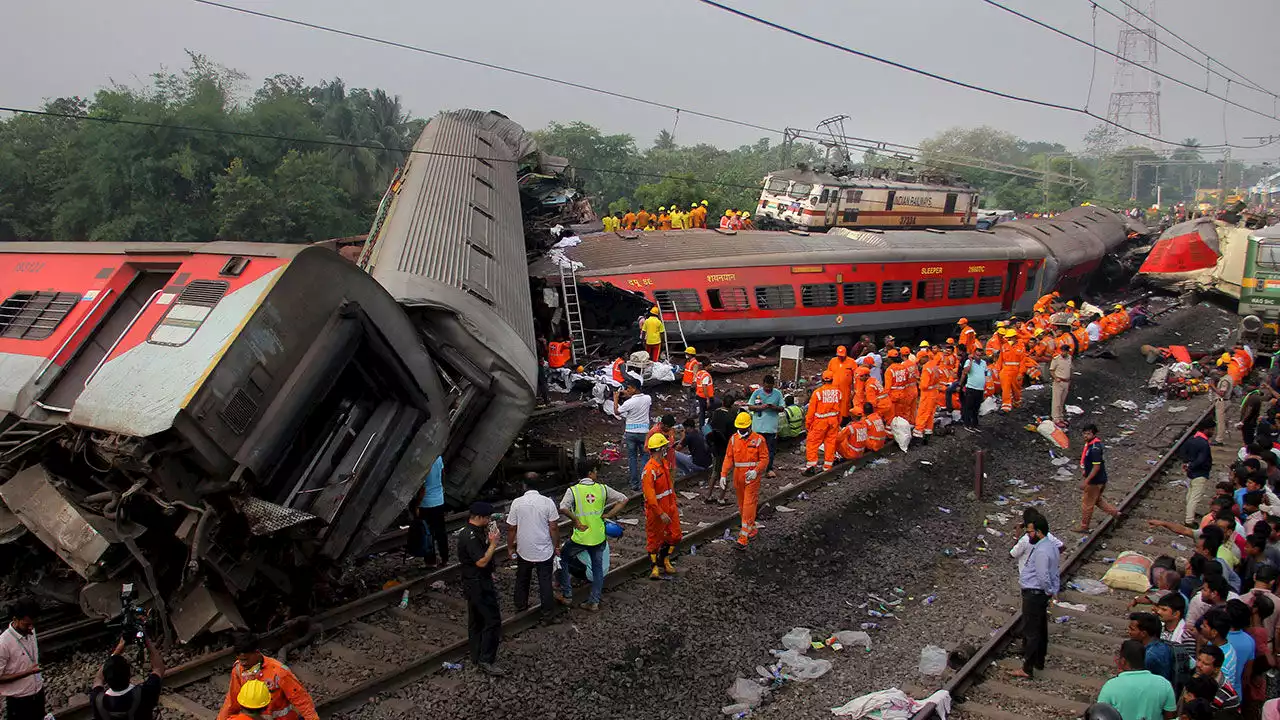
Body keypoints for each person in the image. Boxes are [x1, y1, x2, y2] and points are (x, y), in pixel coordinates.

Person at [558, 458, 627, 610]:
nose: (597, 474)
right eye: (595, 471)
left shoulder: (573, 490)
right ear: (590, 473)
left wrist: (575, 520)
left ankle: (567, 594)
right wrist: (608, 515)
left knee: (562, 558)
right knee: (597, 568)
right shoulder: (603, 489)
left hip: (581, 536)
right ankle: (594, 601)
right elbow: (623, 499)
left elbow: (563, 507)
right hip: (598, 536)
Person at [215, 633, 319, 720]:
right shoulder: (238, 670)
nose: (242, 663)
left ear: (256, 652)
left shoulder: (279, 672)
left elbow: (301, 699)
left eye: (245, 659)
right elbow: (232, 701)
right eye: (240, 659)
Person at [456, 502, 505, 675]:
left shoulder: (469, 532)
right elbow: (481, 561)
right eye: (488, 518)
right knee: (492, 620)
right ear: (480, 517)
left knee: (476, 620)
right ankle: (486, 660)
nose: (489, 520)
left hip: (472, 582)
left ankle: (476, 655)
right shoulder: (470, 537)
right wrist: (493, 544)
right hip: (479, 584)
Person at [1013, 514, 1059, 679]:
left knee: (1032, 631)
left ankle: (1027, 668)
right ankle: (1039, 661)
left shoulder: (1040, 551)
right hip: (1040, 594)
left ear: (1038, 532)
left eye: (1030, 532)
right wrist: (1052, 590)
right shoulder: (1051, 546)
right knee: (1041, 628)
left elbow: (1043, 576)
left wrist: (1047, 590)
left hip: (1034, 593)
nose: (1028, 535)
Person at [506, 474, 561, 615]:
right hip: (544, 548)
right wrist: (556, 546)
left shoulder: (517, 503)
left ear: (524, 485)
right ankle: (547, 613)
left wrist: (510, 547)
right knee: (545, 580)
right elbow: (553, 527)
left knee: (522, 577)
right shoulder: (547, 502)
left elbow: (512, 528)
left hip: (524, 548)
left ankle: (520, 605)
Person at [722, 412, 770, 550]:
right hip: (738, 476)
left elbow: (764, 459)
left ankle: (743, 538)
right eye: (740, 428)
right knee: (742, 505)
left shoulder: (759, 440)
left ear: (749, 426)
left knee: (749, 504)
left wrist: (756, 471)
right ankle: (752, 527)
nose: (741, 430)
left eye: (744, 428)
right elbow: (728, 458)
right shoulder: (733, 439)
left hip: (752, 477)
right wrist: (724, 474)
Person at [1095, 640, 1177, 720]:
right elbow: (1170, 716)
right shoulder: (1164, 684)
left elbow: (1100, 715)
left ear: (1123, 661)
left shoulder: (1110, 686)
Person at [89, 633, 164, 720]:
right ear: (130, 674)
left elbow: (98, 678)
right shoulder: (144, 693)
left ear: (106, 678)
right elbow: (158, 668)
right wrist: (147, 641)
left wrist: (118, 649)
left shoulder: (97, 700)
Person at [642, 433, 682, 579]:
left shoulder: (663, 464)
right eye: (664, 447)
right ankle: (654, 568)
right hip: (656, 511)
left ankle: (664, 559)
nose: (666, 449)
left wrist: (673, 501)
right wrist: (660, 513)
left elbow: (669, 486)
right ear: (659, 449)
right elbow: (651, 497)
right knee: (653, 539)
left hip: (670, 507)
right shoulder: (650, 470)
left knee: (676, 535)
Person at [0, 599, 43, 720]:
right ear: (15, 620)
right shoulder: (3, 643)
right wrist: (27, 672)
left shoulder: (31, 630)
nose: (31, 628)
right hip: (19, 701)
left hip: (38, 694)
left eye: (33, 623)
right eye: (27, 624)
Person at [1078, 424, 1121, 532]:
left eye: (1088, 434)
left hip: (1095, 481)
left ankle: (1084, 526)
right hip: (1099, 479)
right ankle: (1116, 513)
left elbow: (1096, 467)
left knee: (1087, 504)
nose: (1085, 436)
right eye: (1084, 433)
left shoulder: (1095, 448)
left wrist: (1086, 481)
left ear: (1094, 434)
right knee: (1097, 500)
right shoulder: (1091, 444)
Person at [409, 455, 447, 568]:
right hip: (439, 500)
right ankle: (445, 559)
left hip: (426, 504)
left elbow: (423, 489)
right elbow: (443, 475)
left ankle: (431, 561)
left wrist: (417, 505)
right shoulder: (439, 458)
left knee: (427, 533)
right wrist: (441, 489)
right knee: (441, 532)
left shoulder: (423, 462)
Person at [614, 384, 652, 491]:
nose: (627, 390)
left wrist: (616, 399)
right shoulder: (648, 398)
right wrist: (630, 394)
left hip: (630, 433)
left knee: (632, 458)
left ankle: (634, 484)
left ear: (634, 389)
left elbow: (617, 411)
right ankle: (643, 483)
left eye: (629, 388)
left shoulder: (628, 403)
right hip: (643, 432)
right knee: (645, 457)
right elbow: (639, 402)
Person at [804, 371, 842, 475]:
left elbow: (811, 411)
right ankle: (828, 466)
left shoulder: (818, 392)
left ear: (822, 380)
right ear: (832, 380)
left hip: (820, 422)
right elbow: (840, 409)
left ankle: (811, 466)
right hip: (833, 421)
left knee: (812, 443)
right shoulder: (838, 392)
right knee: (830, 443)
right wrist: (838, 421)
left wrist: (808, 424)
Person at [747, 375, 784, 477]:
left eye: (770, 387)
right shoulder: (756, 393)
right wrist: (760, 407)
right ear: (763, 384)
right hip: (758, 427)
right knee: (754, 449)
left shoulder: (777, 394)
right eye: (766, 387)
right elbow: (750, 406)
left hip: (771, 428)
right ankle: (754, 469)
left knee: (769, 450)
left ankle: (768, 469)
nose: (768, 389)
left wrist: (774, 407)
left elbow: (782, 408)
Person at [1128, 612, 1175, 684]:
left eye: (1132, 629)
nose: (1129, 632)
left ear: (1143, 633)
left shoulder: (1148, 656)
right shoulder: (1165, 646)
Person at [1182, 421, 1214, 526]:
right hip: (1200, 473)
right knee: (1194, 497)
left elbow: (1183, 453)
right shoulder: (1204, 443)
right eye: (1211, 429)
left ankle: (1189, 513)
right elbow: (1202, 459)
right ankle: (1189, 520)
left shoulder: (1191, 439)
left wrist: (1187, 464)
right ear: (1206, 429)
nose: (1213, 432)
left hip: (1191, 473)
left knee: (1190, 494)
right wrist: (1191, 465)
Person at [961, 349, 990, 432]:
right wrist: (970, 361)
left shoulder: (983, 363)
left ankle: (974, 424)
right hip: (971, 387)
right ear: (974, 354)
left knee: (976, 408)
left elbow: (986, 372)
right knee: (969, 407)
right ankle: (967, 424)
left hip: (980, 389)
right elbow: (966, 371)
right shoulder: (969, 361)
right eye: (977, 355)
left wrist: (988, 376)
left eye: (980, 355)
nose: (978, 357)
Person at [1050, 344, 1073, 428]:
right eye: (1062, 351)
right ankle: (1056, 419)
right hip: (1059, 382)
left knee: (1062, 401)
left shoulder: (1069, 358)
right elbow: (1052, 370)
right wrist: (1056, 378)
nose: (1063, 353)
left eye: (1064, 351)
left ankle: (1061, 417)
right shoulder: (1056, 359)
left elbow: (1070, 369)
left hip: (1066, 382)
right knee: (1057, 401)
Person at [1212, 368, 1234, 446]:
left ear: (1224, 371)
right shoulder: (1230, 377)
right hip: (1227, 400)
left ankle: (1219, 440)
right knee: (1225, 421)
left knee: (1220, 421)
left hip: (1222, 401)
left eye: (1219, 371)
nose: (1218, 373)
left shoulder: (1225, 380)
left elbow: (1222, 393)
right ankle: (1225, 437)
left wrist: (1212, 386)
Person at [694, 357, 715, 427]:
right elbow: (704, 387)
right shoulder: (706, 375)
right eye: (710, 365)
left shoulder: (699, 373)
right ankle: (708, 426)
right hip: (705, 397)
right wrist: (708, 399)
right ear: (707, 366)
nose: (711, 367)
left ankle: (701, 427)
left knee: (702, 413)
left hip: (699, 395)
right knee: (712, 411)